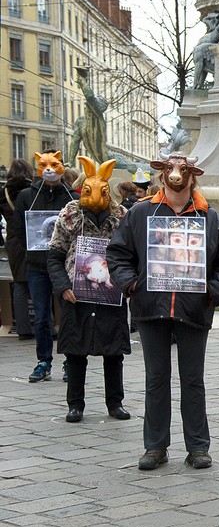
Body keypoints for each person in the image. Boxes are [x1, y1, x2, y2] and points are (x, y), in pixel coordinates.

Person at [107, 153, 219, 470]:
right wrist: (131, 284)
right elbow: (118, 253)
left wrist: (213, 291)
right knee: (156, 378)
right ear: (161, 175)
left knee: (193, 380)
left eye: (181, 171)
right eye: (169, 170)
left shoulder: (210, 217)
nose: (175, 176)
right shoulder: (140, 213)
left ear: (192, 176)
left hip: (194, 307)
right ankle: (155, 447)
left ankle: (197, 447)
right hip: (151, 307)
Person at [46, 156, 131, 423]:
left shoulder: (121, 217)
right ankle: (76, 404)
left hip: (110, 293)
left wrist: (126, 282)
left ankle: (114, 402)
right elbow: (55, 255)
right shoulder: (69, 214)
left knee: (113, 353)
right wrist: (62, 287)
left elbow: (131, 254)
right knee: (75, 352)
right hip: (76, 295)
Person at [12, 151, 77, 383]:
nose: (49, 169)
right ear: (38, 167)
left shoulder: (72, 196)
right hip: (37, 265)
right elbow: (18, 228)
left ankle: (71, 361)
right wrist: (30, 248)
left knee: (69, 314)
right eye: (44, 165)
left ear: (61, 167)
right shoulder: (26, 196)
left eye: (54, 165)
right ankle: (44, 361)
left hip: (64, 267)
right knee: (41, 315)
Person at [1, 158, 35, 339]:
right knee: (40, 282)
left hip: (14, 241)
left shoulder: (4, 192)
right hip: (33, 238)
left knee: (20, 285)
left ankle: (23, 329)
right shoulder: (33, 190)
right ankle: (47, 326)